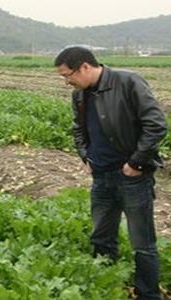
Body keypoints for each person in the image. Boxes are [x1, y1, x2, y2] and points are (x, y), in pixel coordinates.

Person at [54, 46, 168, 299]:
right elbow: (78, 129)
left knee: (143, 244)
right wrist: (86, 156)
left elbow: (156, 125)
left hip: (132, 178)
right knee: (101, 237)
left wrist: (137, 163)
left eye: (67, 75)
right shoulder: (80, 95)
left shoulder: (127, 82)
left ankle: (148, 294)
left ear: (84, 66)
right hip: (101, 177)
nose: (66, 82)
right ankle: (107, 285)